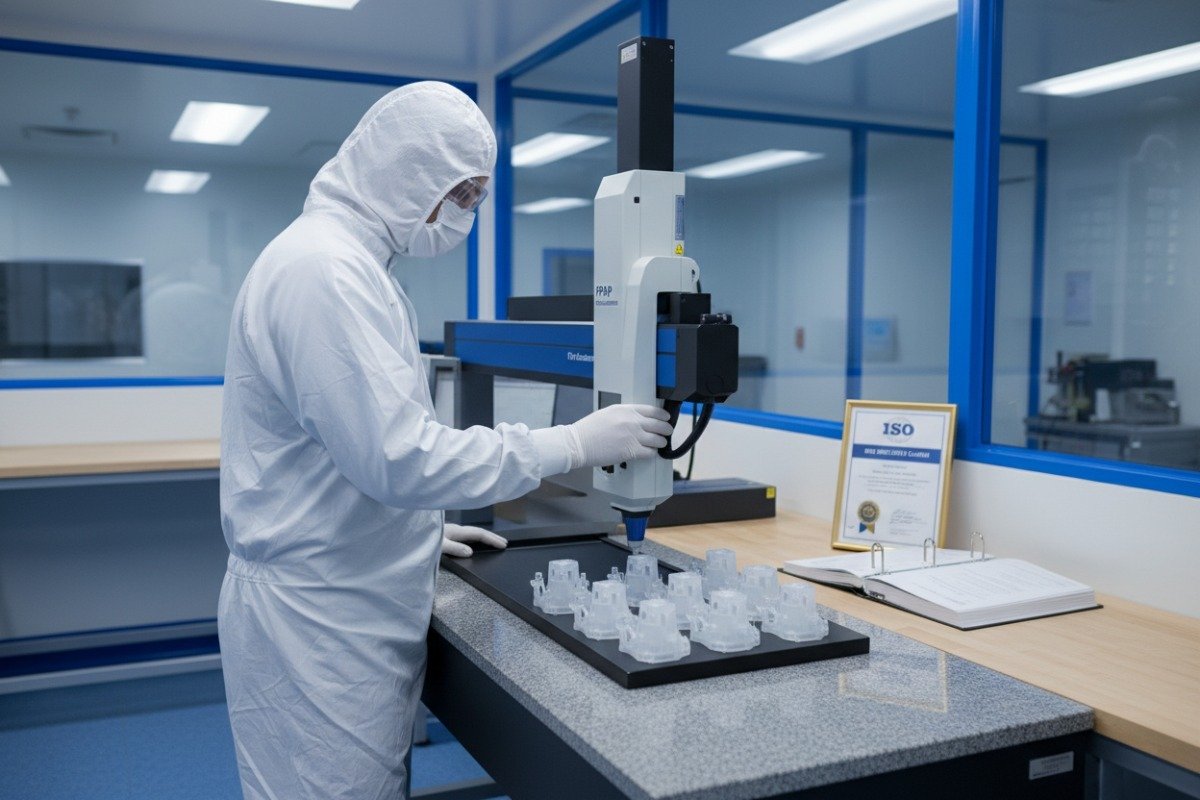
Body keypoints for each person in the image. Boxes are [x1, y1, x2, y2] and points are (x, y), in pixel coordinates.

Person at [216, 81, 672, 799]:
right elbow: (400, 456)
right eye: (458, 193)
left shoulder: (352, 261)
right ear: (405, 171)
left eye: (474, 199)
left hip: (345, 589)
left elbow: (355, 453)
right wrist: (573, 443)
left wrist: (416, 530)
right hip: (321, 618)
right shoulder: (324, 271)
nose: (464, 214)